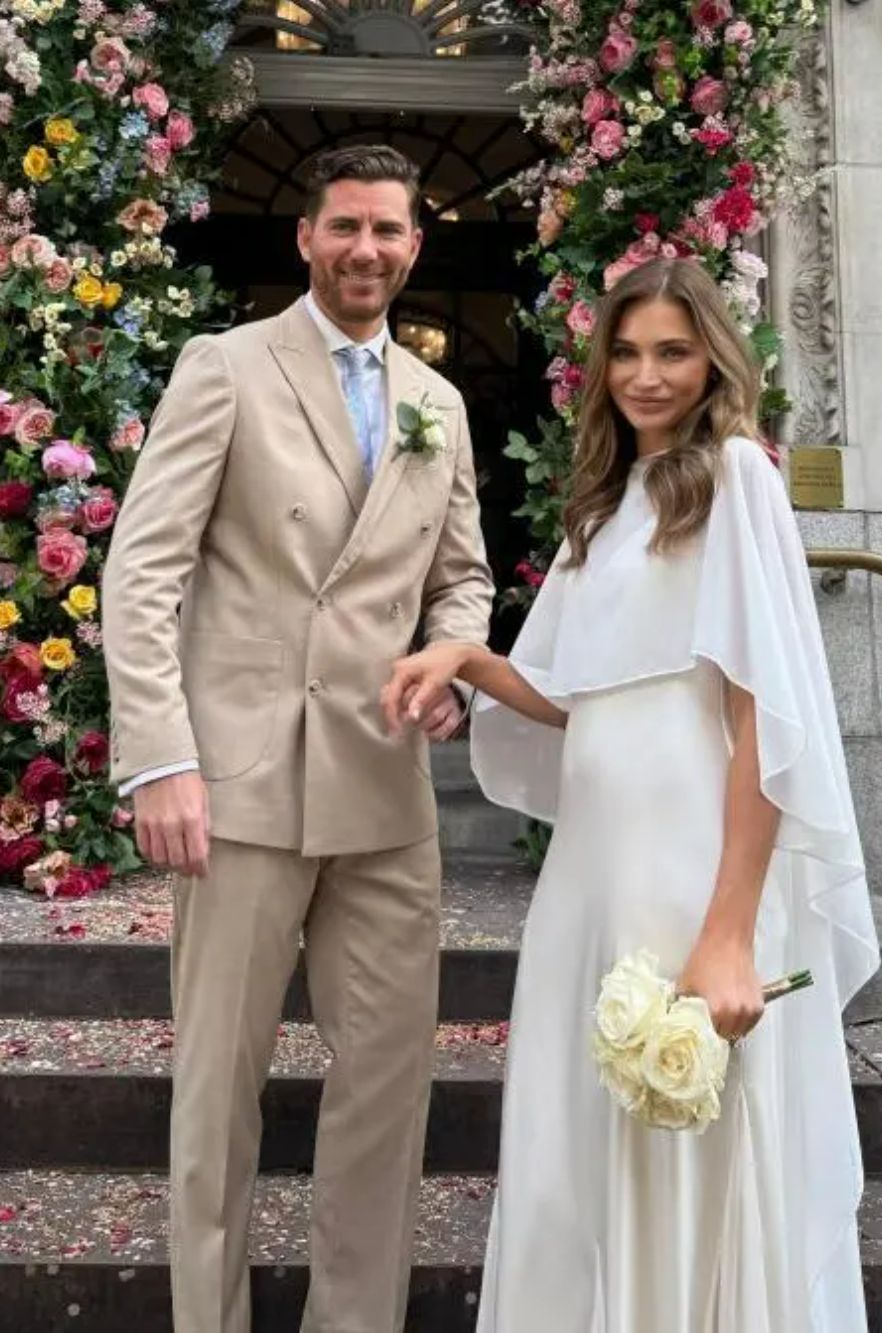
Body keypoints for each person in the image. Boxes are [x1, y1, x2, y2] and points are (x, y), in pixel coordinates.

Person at [381, 256, 881, 1331]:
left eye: (672, 350)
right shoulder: (603, 506)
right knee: (577, 1145)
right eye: (626, 350)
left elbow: (761, 719)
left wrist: (732, 929)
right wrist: (463, 656)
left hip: (689, 864)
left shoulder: (736, 478)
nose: (646, 375)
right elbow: (573, 695)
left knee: (687, 1138)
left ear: (712, 361)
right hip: (590, 877)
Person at [101, 143, 491, 1333]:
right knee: (217, 1091)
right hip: (239, 789)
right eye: (345, 228)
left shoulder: (440, 403)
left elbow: (463, 581)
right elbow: (144, 568)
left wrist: (451, 666)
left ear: (415, 244)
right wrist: (161, 758)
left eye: (388, 230)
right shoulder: (224, 367)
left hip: (384, 795)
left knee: (386, 1089)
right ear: (306, 239)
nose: (367, 249)